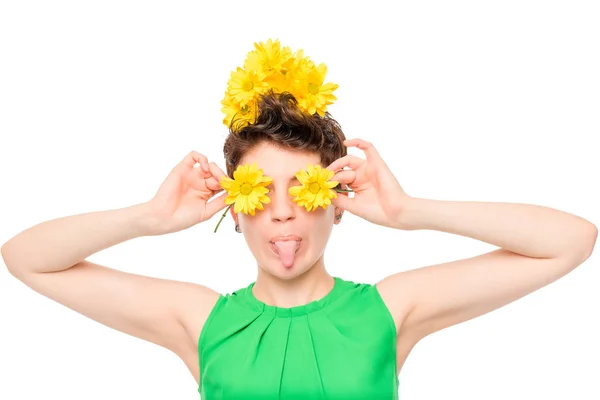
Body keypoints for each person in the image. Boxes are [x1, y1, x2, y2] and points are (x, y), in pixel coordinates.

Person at [2, 40, 598, 399]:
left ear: (338, 201)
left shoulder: (389, 311)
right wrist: (148, 218)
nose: (283, 212)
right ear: (233, 209)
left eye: (304, 189)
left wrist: (410, 212)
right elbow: (25, 258)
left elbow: (570, 241)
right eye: (260, 191)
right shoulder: (201, 321)